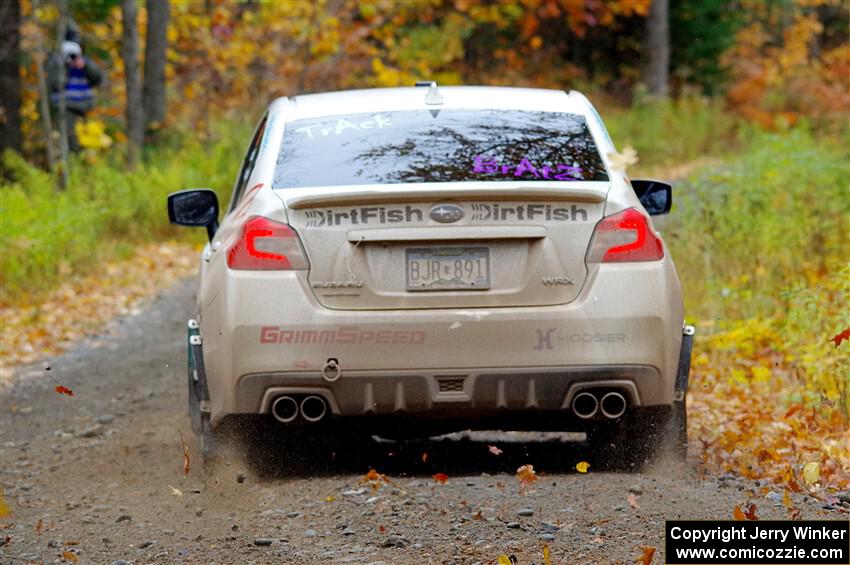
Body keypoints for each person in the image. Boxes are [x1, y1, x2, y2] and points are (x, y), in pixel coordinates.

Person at [46, 40, 104, 152]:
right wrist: (65, 67)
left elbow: (98, 79)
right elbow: (54, 84)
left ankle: (86, 159)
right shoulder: (57, 65)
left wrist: (86, 66)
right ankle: (74, 159)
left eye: (74, 56)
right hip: (66, 108)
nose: (72, 59)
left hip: (85, 107)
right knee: (70, 138)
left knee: (91, 136)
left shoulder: (85, 64)